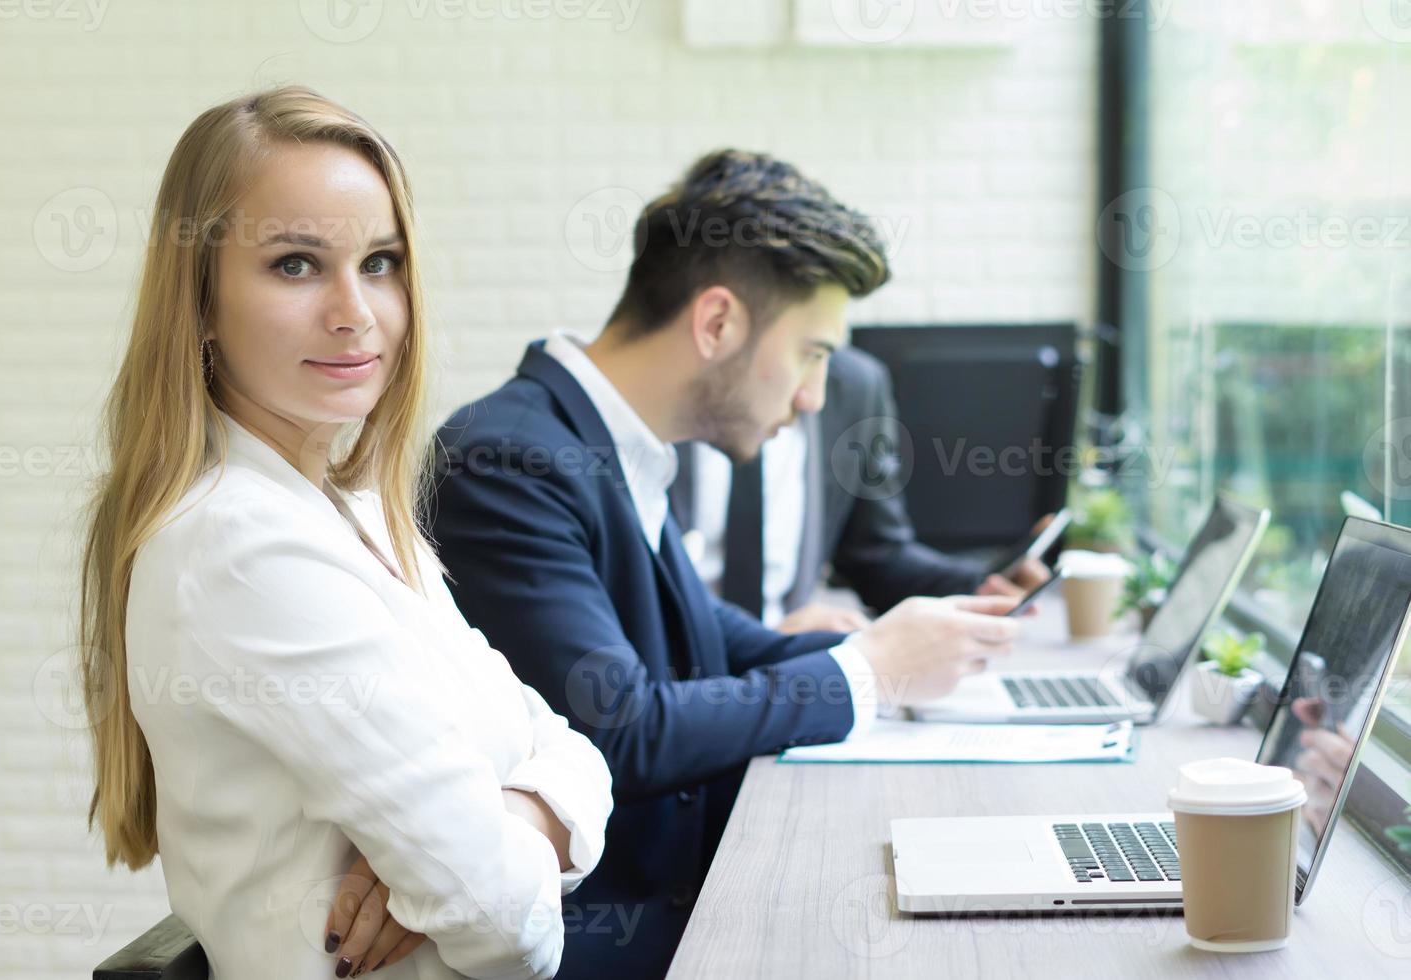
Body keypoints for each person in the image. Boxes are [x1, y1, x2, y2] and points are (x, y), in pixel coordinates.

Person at [425, 149, 1019, 979]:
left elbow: (702, 636)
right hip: (606, 944)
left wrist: (899, 652)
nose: (814, 395)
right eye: (812, 353)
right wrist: (866, 672)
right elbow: (617, 731)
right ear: (717, 324)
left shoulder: (600, 440)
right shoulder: (508, 461)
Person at [77, 86, 611, 980]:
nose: (354, 310)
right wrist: (467, 864)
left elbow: (571, 749)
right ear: (200, 302)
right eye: (295, 264)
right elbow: (505, 928)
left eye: (380, 261)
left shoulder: (354, 512)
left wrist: (508, 821)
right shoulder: (242, 549)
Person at [670, 343, 1053, 634]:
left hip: (791, 674)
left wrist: (980, 581)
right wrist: (769, 639)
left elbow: (875, 555)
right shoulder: (663, 387)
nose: (811, 399)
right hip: (682, 676)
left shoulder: (853, 385)